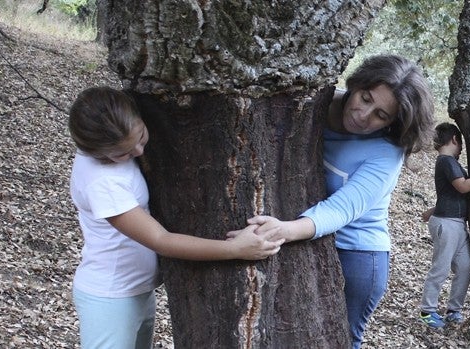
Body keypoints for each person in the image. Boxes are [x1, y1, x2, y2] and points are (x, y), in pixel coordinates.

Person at [230, 55, 436, 348]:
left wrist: (281, 231)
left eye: (381, 115)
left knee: (339, 341)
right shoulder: (314, 105)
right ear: (356, 85)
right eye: (365, 98)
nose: (364, 115)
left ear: (394, 122)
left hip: (358, 256)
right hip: (310, 241)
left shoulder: (387, 152)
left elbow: (342, 209)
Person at [68, 87, 284, 349]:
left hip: (135, 291)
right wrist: (234, 249)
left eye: (140, 137)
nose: (137, 151)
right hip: (111, 296)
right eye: (122, 153)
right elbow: (160, 239)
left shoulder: (115, 148)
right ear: (96, 152)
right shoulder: (101, 182)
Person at [418, 122, 470, 328]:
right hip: (447, 223)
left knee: (465, 266)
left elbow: (449, 191)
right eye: (461, 143)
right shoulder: (446, 161)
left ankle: (453, 310)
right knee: (441, 267)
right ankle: (427, 311)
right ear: (455, 139)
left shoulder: (451, 163)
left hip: (455, 223)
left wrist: (432, 210)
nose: (462, 148)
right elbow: (463, 187)